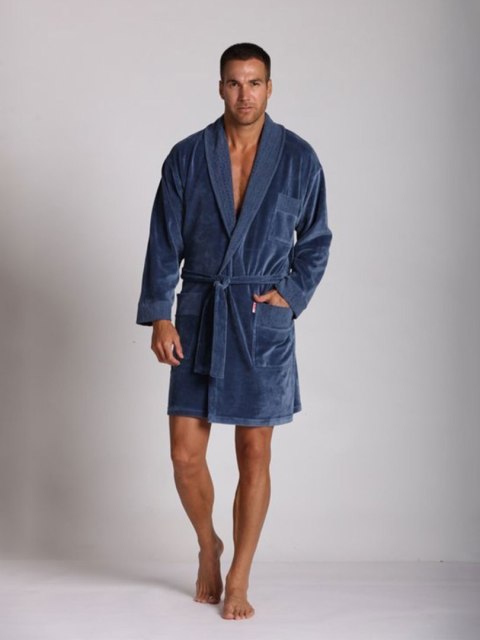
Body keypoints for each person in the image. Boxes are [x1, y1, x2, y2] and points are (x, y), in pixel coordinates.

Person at [136, 42, 333, 620]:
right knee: (184, 455)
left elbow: (316, 239)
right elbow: (163, 240)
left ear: (270, 87)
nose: (244, 94)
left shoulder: (298, 158)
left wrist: (289, 295)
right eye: (234, 82)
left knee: (254, 452)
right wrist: (161, 313)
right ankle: (209, 545)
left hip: (260, 317)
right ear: (219, 87)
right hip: (201, 311)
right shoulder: (188, 156)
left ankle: (240, 575)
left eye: (255, 82)